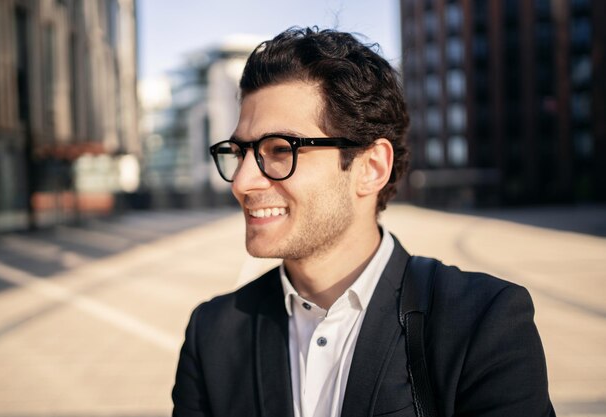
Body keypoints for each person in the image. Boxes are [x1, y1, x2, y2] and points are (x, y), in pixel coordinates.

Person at [172, 27, 555, 417]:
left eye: (279, 150)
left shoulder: (480, 324)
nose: (241, 182)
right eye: (239, 152)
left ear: (371, 168)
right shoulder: (213, 335)